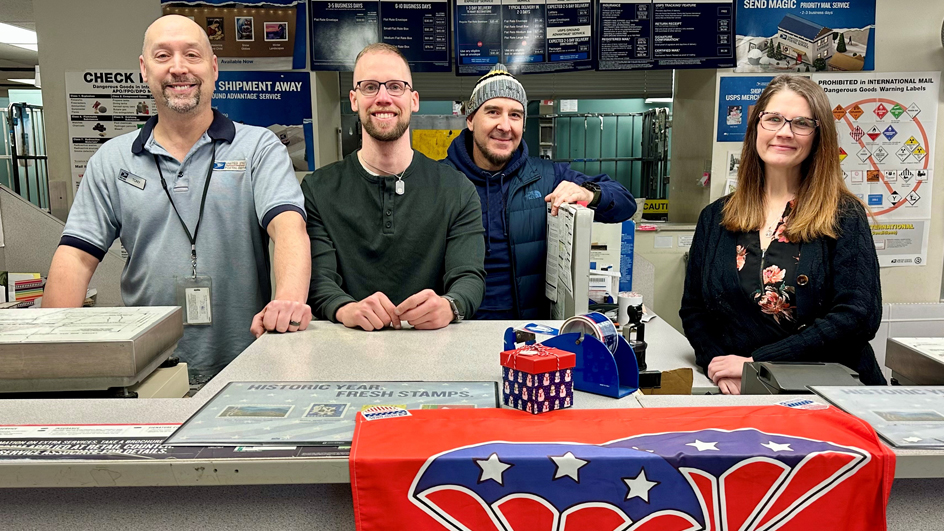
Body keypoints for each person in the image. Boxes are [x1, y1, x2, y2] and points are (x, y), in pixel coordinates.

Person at [44, 15, 312, 383]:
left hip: (249, 365)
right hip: (147, 373)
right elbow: (75, 257)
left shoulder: (258, 147)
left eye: (192, 54)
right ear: (143, 69)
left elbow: (289, 228)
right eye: (162, 55)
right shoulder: (112, 160)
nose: (178, 68)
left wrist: (289, 302)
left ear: (213, 67)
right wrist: (52, 360)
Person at [680, 75, 886, 395]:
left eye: (801, 123)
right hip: (739, 391)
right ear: (756, 128)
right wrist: (718, 365)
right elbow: (694, 310)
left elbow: (857, 317)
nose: (784, 132)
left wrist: (759, 364)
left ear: (819, 136)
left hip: (832, 396)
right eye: (773, 119)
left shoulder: (844, 215)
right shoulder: (715, 218)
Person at [302, 43, 485, 331]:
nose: (383, 98)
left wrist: (451, 305)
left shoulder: (456, 190)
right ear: (353, 99)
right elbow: (319, 279)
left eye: (395, 87)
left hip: (434, 349)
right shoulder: (317, 190)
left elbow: (469, 277)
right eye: (370, 87)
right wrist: (345, 308)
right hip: (344, 350)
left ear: (413, 100)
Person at [442, 64, 637, 320]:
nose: (505, 125)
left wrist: (589, 193)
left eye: (515, 115)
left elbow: (625, 202)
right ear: (470, 119)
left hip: (531, 335)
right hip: (453, 328)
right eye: (493, 112)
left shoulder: (547, 177)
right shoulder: (440, 180)